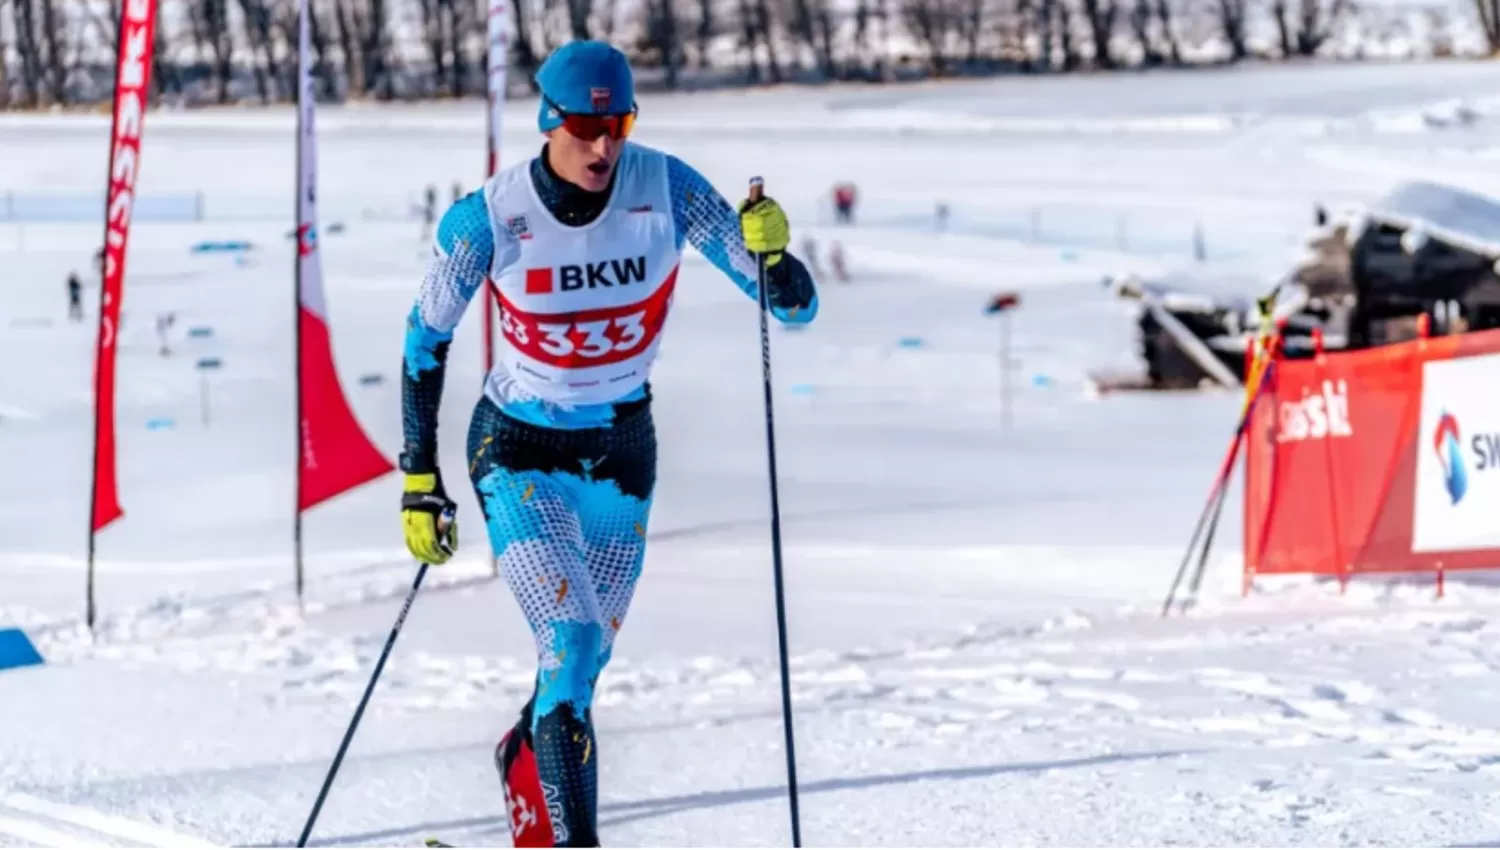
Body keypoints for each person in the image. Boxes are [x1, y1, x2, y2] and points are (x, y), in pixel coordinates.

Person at [398, 40, 818, 848]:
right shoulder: (488, 215)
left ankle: (525, 760)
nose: (605, 145)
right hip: (520, 451)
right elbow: (424, 341)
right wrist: (420, 476)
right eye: (588, 125)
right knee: (573, 639)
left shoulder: (668, 188)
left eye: (619, 121)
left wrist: (775, 253)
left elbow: (791, 309)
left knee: (579, 672)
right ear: (550, 121)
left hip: (622, 458)